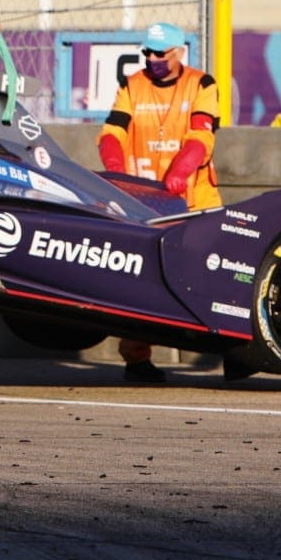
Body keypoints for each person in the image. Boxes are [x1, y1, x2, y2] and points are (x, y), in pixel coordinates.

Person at [97, 21, 222, 382]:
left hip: (195, 198)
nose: (152, 59)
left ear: (180, 52)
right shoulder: (131, 85)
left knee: (210, 275)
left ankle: (231, 349)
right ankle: (136, 360)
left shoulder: (202, 84)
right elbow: (112, 133)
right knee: (138, 280)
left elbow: (202, 135)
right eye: (147, 52)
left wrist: (182, 170)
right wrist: (117, 172)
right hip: (144, 203)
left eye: (160, 53)